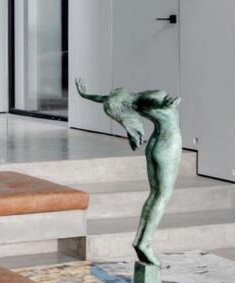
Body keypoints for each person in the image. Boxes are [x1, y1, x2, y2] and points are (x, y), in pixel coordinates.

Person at [75, 78, 183, 267]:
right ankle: (146, 242)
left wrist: (84, 95)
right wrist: (162, 103)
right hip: (168, 143)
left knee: (155, 194)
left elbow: (103, 98)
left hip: (155, 143)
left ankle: (142, 241)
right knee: (162, 196)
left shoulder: (132, 101)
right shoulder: (145, 99)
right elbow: (151, 102)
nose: (116, 90)